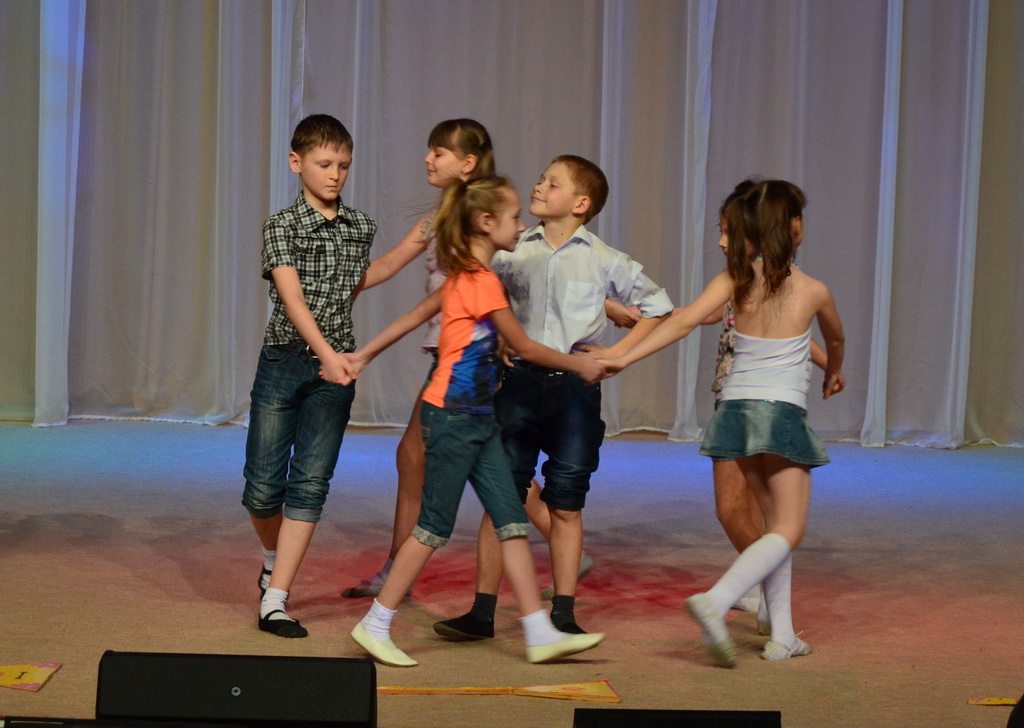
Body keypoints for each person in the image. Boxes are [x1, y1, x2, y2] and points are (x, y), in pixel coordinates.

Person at [335, 176, 606, 666]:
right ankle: (375, 623)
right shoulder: (480, 282)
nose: (521, 226)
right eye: (514, 218)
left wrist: (363, 355)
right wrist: (579, 364)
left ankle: (539, 633)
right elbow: (524, 347)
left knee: (511, 519)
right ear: (486, 223)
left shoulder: (466, 276)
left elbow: (412, 318)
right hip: (453, 418)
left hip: (477, 418)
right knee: (434, 527)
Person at [598, 179, 844, 667]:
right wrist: (835, 369)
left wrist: (623, 357)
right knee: (788, 529)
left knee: (773, 527)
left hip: (734, 413)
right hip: (780, 414)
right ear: (794, 228)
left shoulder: (734, 282)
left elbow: (684, 320)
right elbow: (835, 340)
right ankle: (718, 599)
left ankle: (783, 635)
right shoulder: (814, 290)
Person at [432, 155, 674, 640]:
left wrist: (617, 354)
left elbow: (659, 306)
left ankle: (564, 611)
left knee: (565, 501)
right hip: (518, 384)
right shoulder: (514, 249)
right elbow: (484, 293)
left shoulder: (603, 257)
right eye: (540, 178)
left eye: (552, 183)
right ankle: (482, 611)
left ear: (581, 204)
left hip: (574, 391)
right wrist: (498, 338)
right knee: (503, 496)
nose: (539, 186)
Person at [243, 113, 417, 639]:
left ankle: (276, 600)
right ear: (296, 163)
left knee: (310, 484)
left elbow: (364, 277)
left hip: (334, 373)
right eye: (324, 164)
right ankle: (272, 558)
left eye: (343, 164)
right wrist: (327, 354)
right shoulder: (281, 225)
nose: (335, 173)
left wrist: (427, 230)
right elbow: (292, 298)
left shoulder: (359, 225)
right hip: (284, 361)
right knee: (262, 490)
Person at [707, 180, 840, 635]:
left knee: (773, 520)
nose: (721, 242)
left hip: (758, 404)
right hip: (738, 400)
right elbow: (693, 315)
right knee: (745, 514)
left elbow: (799, 333)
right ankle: (765, 610)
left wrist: (829, 365)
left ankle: (770, 617)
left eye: (730, 231)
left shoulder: (785, 284)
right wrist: (643, 315)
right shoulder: (737, 282)